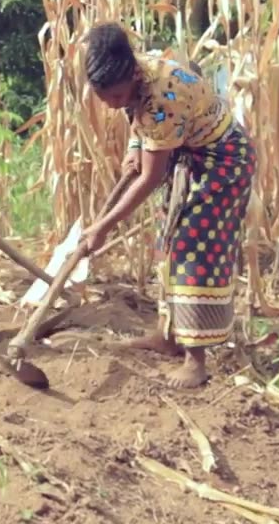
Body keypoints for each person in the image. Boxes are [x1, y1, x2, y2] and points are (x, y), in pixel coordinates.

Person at [76, 22, 255, 389]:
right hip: (190, 154)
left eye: (115, 96)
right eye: (104, 98)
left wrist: (102, 227)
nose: (111, 104)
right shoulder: (137, 76)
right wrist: (133, 149)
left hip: (223, 162)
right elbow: (137, 118)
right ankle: (168, 336)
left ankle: (196, 360)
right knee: (168, 241)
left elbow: (150, 178)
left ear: (130, 76)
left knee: (192, 248)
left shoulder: (162, 96)